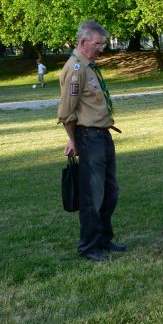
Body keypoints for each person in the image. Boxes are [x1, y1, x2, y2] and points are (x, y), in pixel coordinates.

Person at [57, 20, 126, 261]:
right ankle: (88, 246)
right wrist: (73, 140)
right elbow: (67, 111)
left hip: (103, 135)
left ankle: (104, 238)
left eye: (103, 44)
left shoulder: (89, 67)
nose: (102, 48)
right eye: (98, 44)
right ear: (84, 42)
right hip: (89, 138)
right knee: (92, 196)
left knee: (110, 192)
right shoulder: (75, 69)